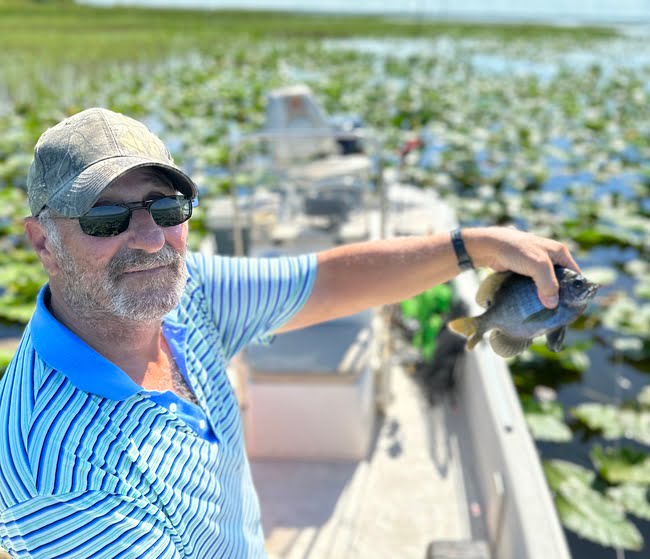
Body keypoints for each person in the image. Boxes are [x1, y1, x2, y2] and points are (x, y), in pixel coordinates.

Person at [0, 108, 580, 558]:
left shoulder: (183, 294)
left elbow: (321, 281)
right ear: (43, 242)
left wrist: (473, 246)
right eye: (107, 217)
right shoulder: (69, 483)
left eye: (167, 207)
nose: (151, 239)